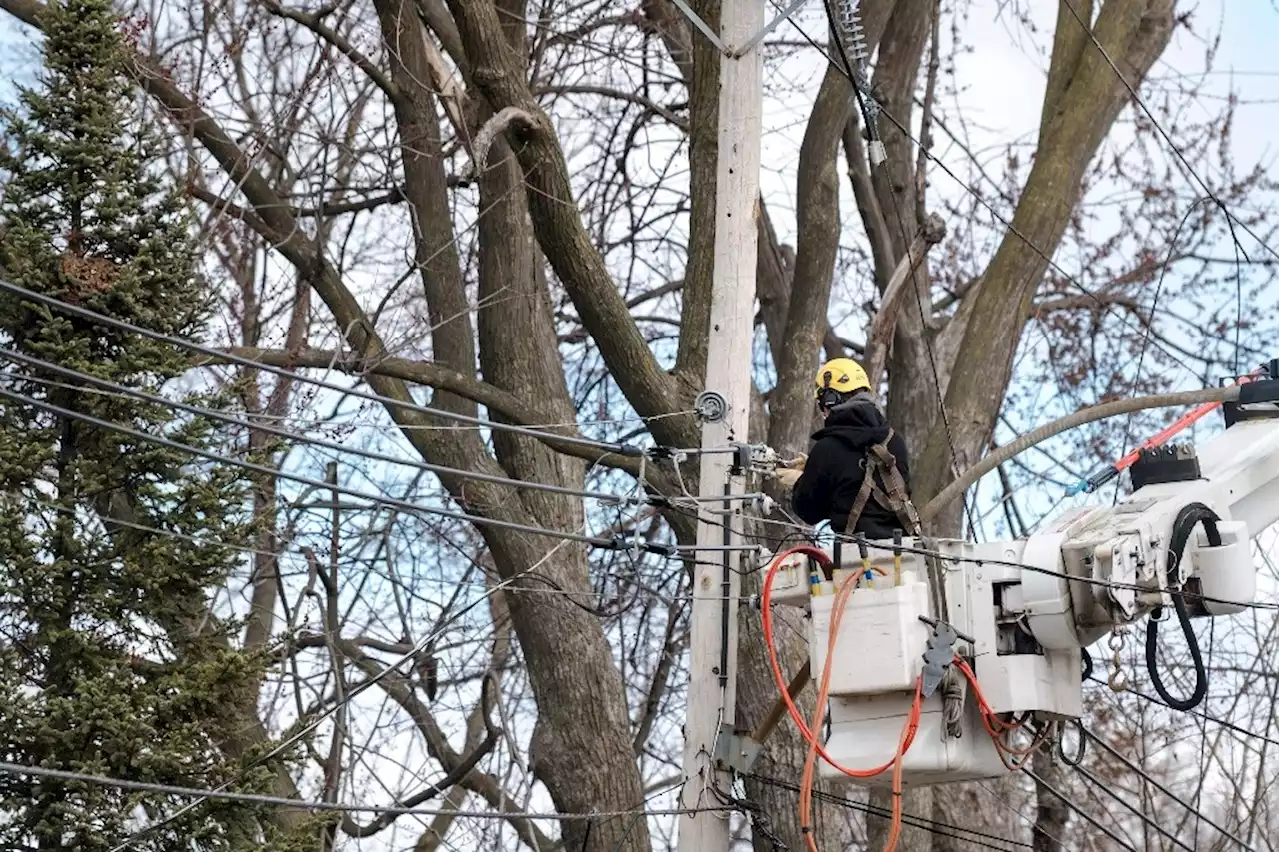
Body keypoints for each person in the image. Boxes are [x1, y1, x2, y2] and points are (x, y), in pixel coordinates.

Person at [774, 358, 915, 540]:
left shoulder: (827, 449)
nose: (822, 411)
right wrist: (816, 469)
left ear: (831, 400)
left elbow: (809, 512)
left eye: (821, 403)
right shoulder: (895, 441)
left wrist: (801, 481)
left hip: (855, 557)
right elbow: (853, 478)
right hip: (904, 552)